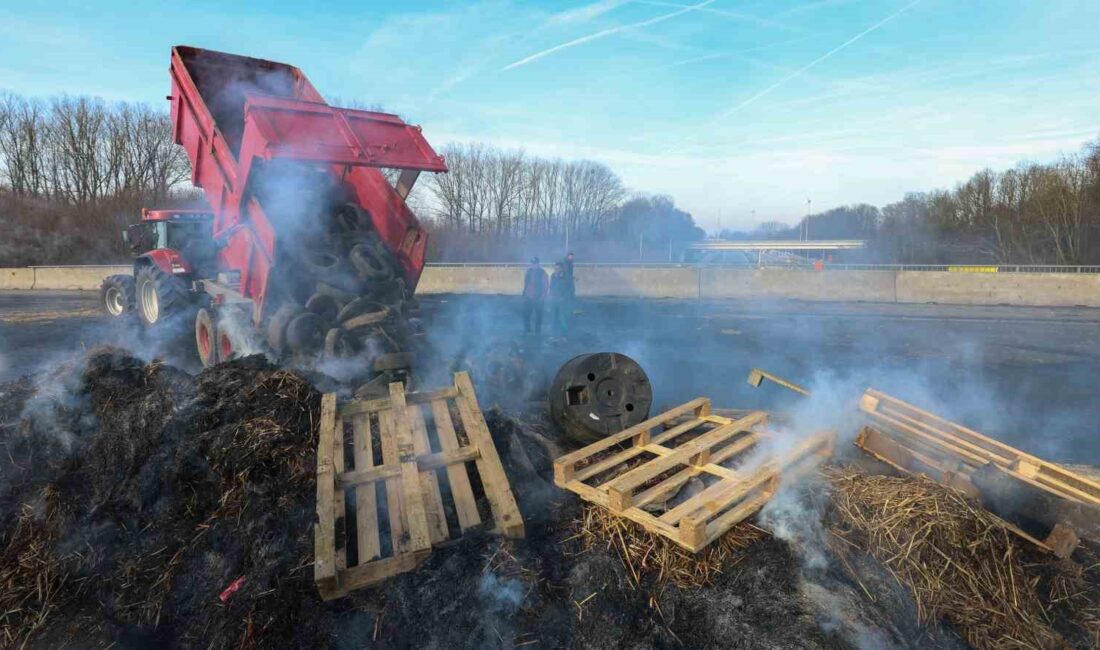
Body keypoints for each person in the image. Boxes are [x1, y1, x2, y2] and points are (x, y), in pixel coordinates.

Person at [522, 257, 548, 334]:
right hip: (529, 296)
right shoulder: (529, 271)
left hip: (538, 297)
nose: (533, 265)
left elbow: (545, 285)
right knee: (526, 313)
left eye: (535, 263)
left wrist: (543, 296)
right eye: (532, 263)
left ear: (538, 264)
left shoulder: (542, 272)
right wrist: (525, 292)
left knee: (539, 315)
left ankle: (538, 330)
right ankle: (527, 329)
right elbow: (526, 283)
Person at [549, 261, 571, 336]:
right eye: (555, 268)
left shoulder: (566, 277)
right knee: (553, 319)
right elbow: (551, 287)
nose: (556, 270)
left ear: (561, 268)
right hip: (554, 300)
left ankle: (564, 335)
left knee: (563, 319)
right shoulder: (553, 276)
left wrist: (564, 297)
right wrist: (551, 294)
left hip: (562, 301)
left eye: (558, 268)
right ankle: (553, 335)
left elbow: (569, 289)